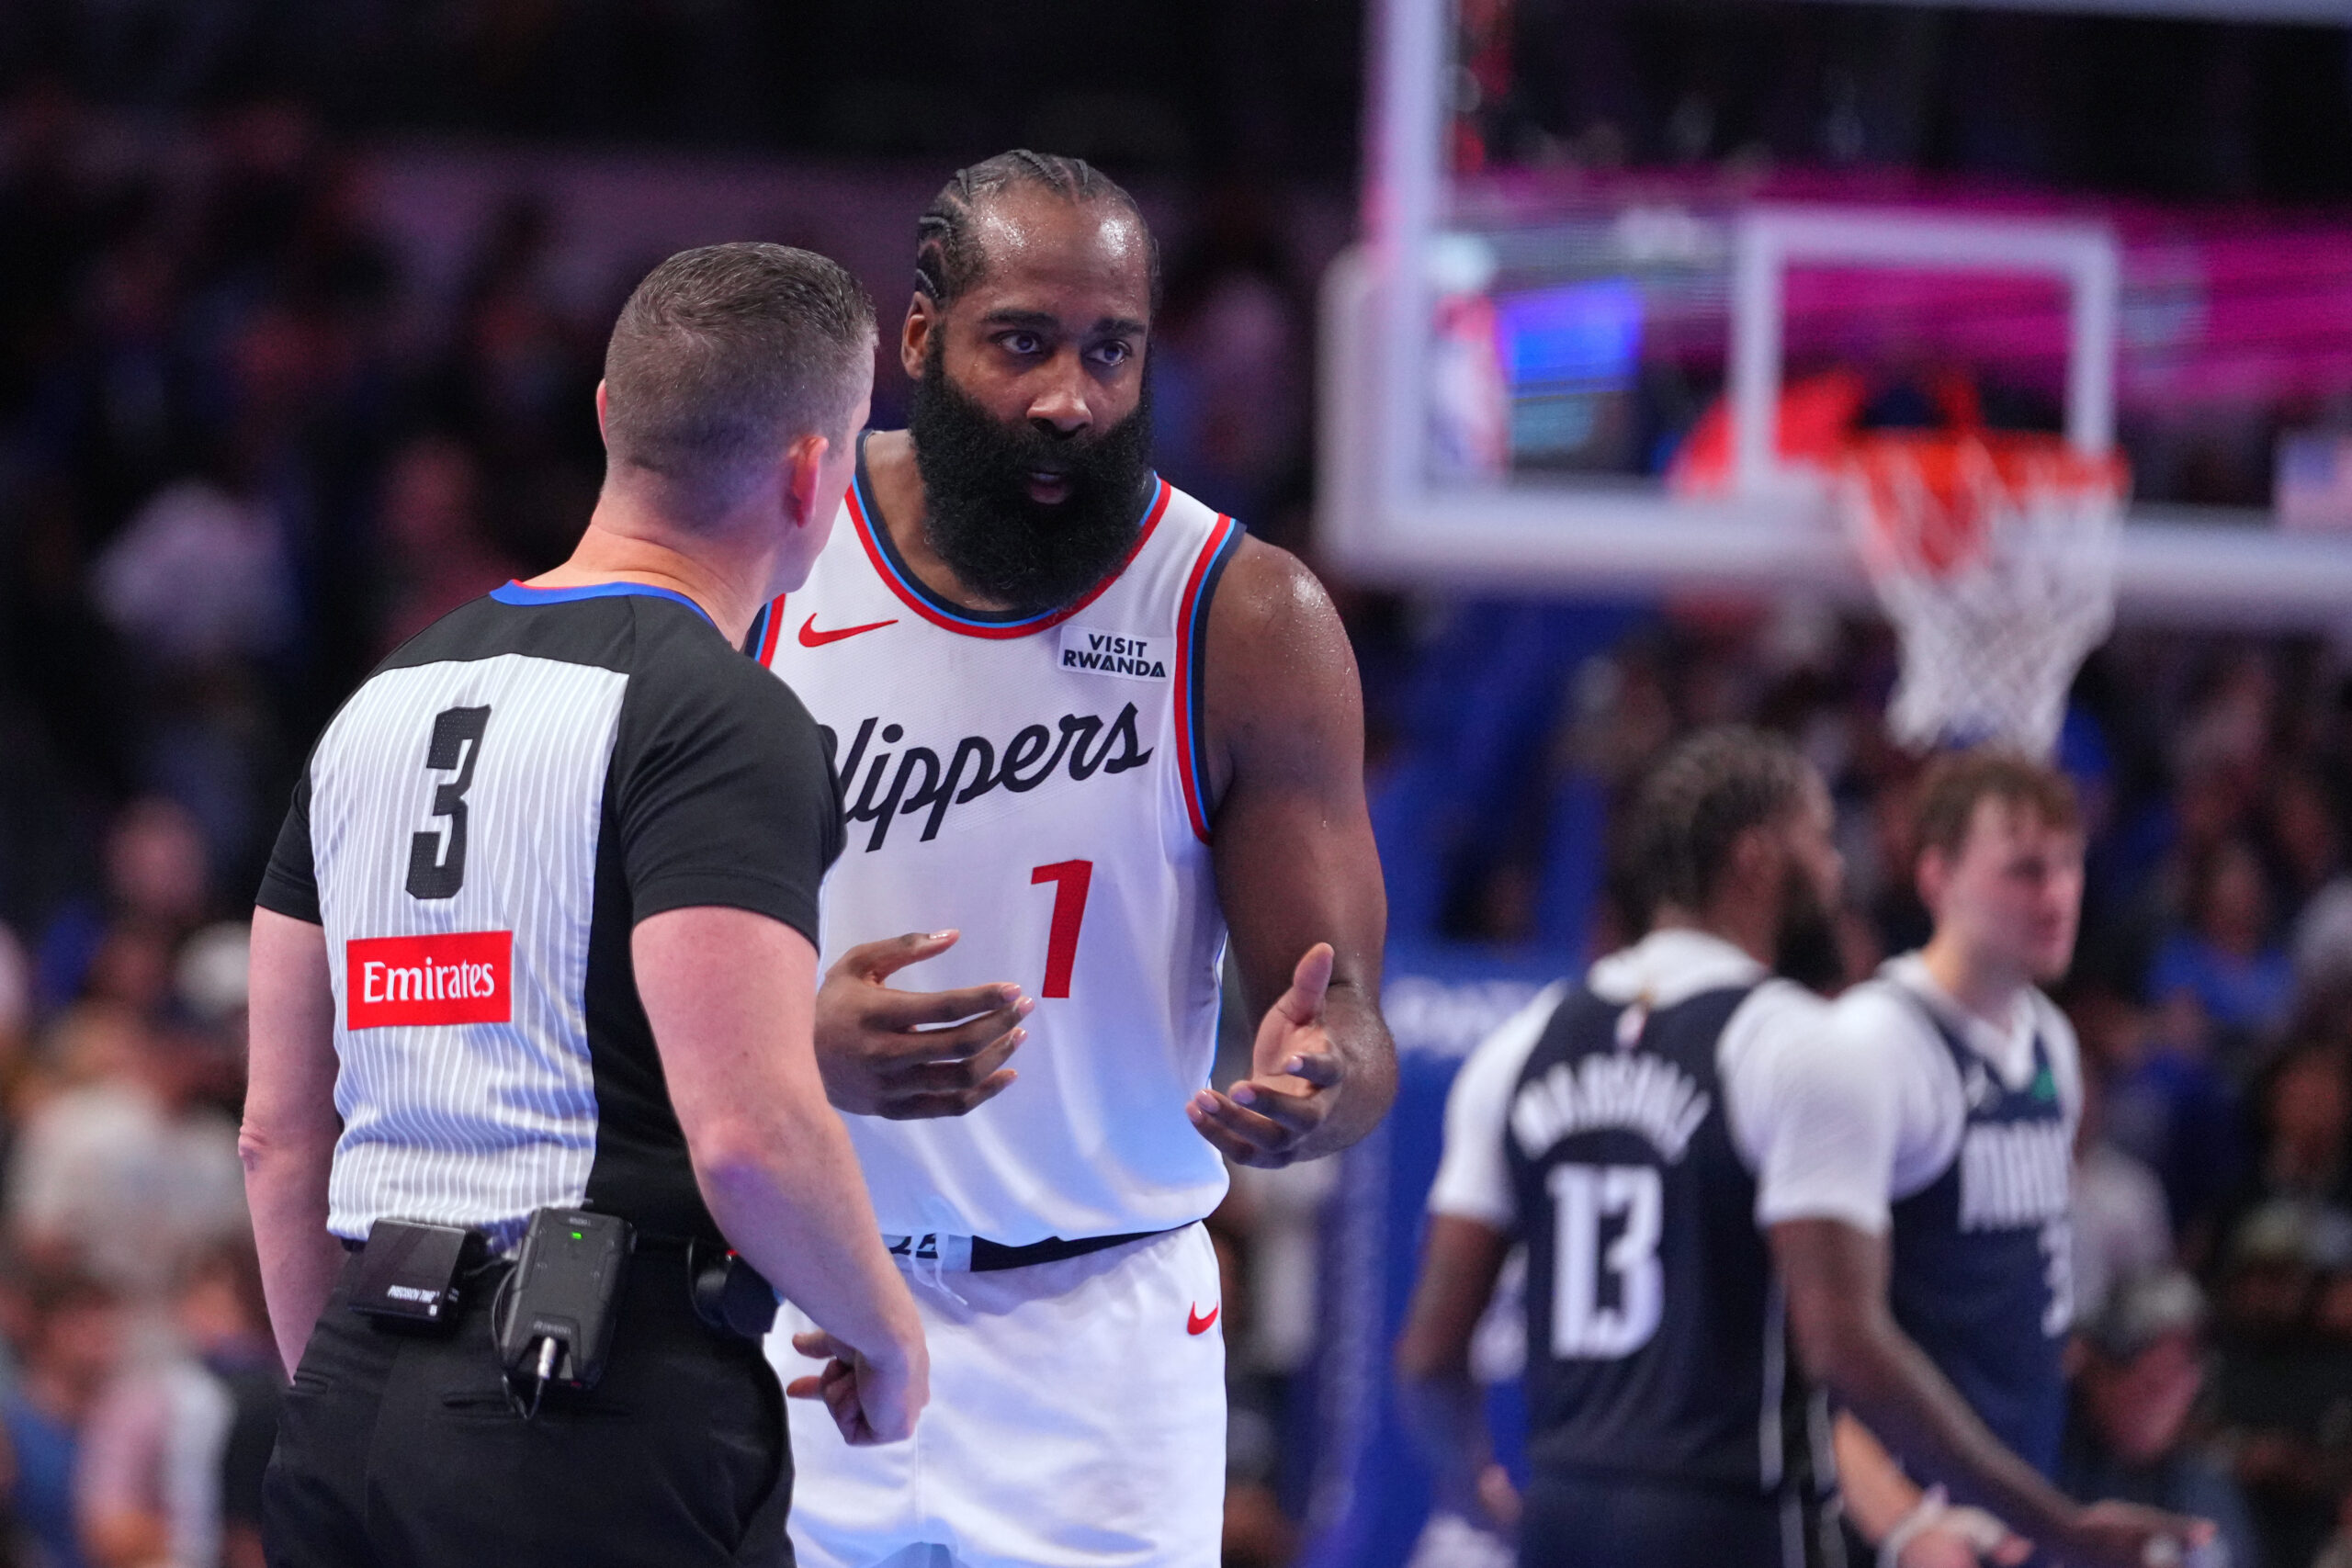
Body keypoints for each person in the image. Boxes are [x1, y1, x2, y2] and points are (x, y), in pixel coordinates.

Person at [749, 150, 1395, 1568]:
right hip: (800, 1302)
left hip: (1103, 1350)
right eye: (1024, 343)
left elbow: (1352, 1029)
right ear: (917, 340)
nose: (1071, 397)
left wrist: (1322, 1077)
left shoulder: (1245, 613)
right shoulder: (767, 552)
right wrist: (790, 1046)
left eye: (1113, 351)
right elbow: (612, 957)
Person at [240, 243, 928, 1566]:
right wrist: (889, 1337)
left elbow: (277, 1135)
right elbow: (748, 1129)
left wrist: (345, 1401)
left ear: (611, 416)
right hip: (585, 1416)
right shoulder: (721, 718)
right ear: (811, 473)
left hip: (347, 1407)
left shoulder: (375, 702)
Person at [1396, 727, 1858, 1568]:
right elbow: (1846, 1345)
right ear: (1755, 858)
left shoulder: (1521, 1043)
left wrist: (1475, 1492)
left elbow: (1430, 1353)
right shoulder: (1792, 1039)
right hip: (1733, 1514)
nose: (1837, 871)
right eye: (1822, 841)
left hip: (1567, 1512)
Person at [1793, 750, 2211, 1567]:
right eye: (2024, 870)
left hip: (2016, 1506)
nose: (2056, 895)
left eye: (2068, 866)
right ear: (1937, 876)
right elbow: (1811, 1348)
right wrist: (1907, 1526)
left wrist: (2107, 1389)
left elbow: (2019, 1295)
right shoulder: (1877, 1044)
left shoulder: (2049, 1041)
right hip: (1891, 1525)